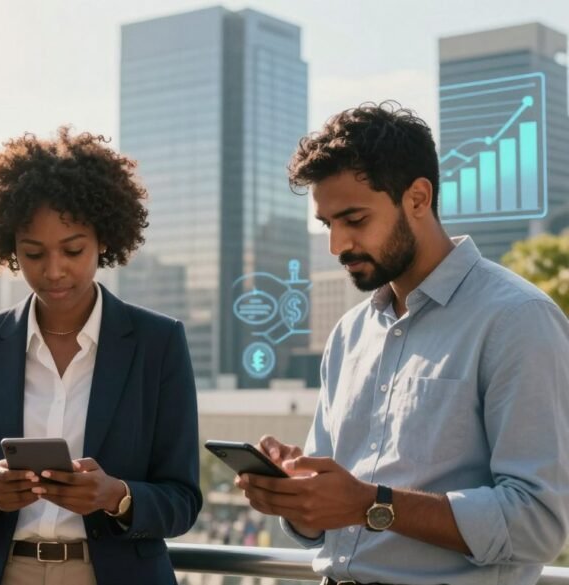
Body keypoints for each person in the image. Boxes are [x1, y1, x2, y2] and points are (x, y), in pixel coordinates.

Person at [236, 102, 569, 585]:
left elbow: (538, 524)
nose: (337, 245)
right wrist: (298, 497)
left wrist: (373, 505)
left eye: (353, 219)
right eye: (328, 224)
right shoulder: (350, 333)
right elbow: (332, 518)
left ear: (417, 198)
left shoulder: (518, 319)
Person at [0, 127, 202, 585]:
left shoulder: (159, 342)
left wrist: (117, 496)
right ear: (9, 250)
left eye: (73, 250)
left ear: (104, 239)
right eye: (33, 253)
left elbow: (183, 500)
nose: (53, 270)